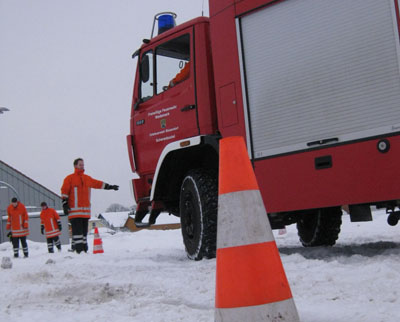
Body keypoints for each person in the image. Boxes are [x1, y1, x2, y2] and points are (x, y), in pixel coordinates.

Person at [61, 158, 119, 254]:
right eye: (80, 165)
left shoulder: (87, 178)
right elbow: (64, 192)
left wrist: (110, 187)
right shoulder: (69, 178)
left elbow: (98, 184)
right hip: (75, 213)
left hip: (85, 213)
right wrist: (65, 204)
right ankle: (79, 251)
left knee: (84, 234)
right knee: (78, 234)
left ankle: (84, 251)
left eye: (83, 165)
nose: (82, 166)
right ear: (75, 166)